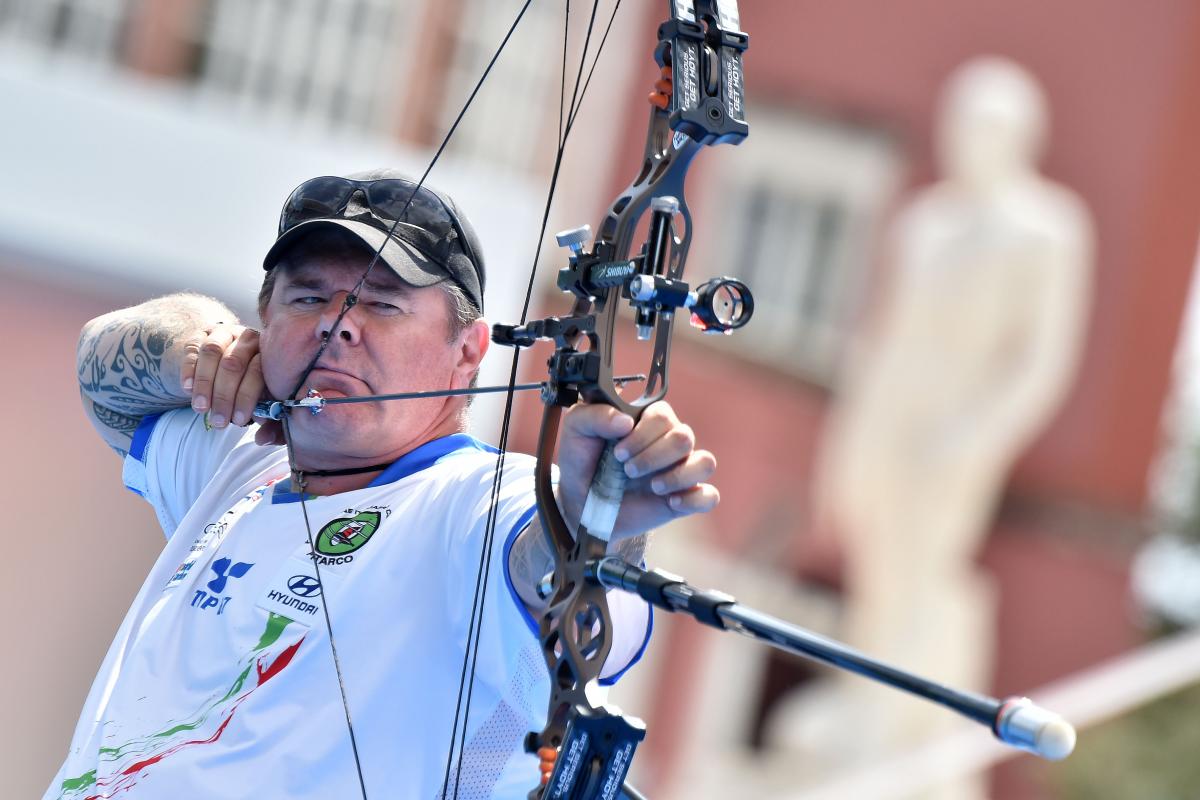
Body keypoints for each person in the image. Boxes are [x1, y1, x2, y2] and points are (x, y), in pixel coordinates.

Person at [50, 169, 719, 799]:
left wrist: (597, 512)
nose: (335, 323)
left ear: (469, 350)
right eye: (307, 296)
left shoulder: (473, 501)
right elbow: (99, 372)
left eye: (382, 304)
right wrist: (201, 352)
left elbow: (554, 573)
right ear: (264, 317)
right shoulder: (240, 460)